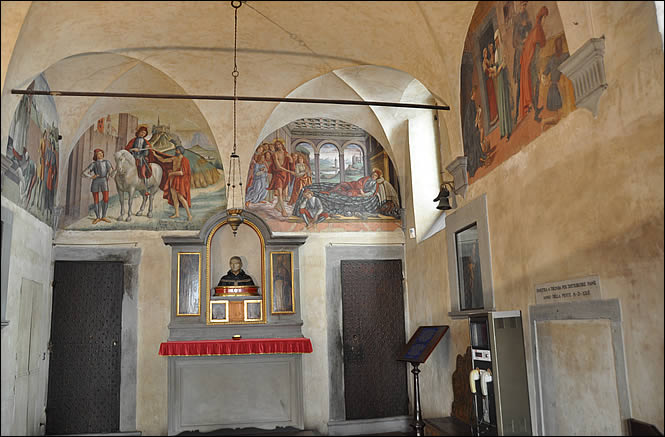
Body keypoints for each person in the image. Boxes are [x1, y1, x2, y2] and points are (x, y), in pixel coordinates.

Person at [519, 5, 549, 123]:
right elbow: (534, 53)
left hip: (532, 64)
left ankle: (537, 108)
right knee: (535, 87)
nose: (545, 20)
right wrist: (537, 69)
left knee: (536, 87)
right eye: (544, 17)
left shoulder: (537, 28)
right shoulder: (537, 30)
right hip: (531, 66)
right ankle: (536, 114)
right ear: (541, 17)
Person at [153, 145, 192, 220]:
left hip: (180, 180)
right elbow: (163, 160)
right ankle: (177, 213)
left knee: (181, 197)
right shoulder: (174, 158)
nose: (175, 151)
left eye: (177, 150)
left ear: (180, 151)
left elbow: (182, 173)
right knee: (174, 198)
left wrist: (171, 173)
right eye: (176, 150)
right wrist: (155, 155)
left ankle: (189, 215)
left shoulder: (185, 160)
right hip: (172, 179)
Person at [491, 29, 514, 139]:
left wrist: (499, 70)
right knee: (500, 103)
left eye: (496, 40)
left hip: (503, 76)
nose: (496, 42)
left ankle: (508, 129)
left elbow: (504, 62)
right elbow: (496, 65)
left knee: (505, 101)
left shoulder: (503, 49)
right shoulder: (496, 52)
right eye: (495, 40)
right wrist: (494, 72)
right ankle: (503, 130)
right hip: (499, 78)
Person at [512, 1, 532, 124]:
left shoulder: (527, 16)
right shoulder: (517, 20)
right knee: (520, 82)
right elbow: (514, 41)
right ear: (519, 6)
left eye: (525, 5)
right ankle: (518, 114)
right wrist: (522, 42)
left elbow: (530, 29)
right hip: (520, 52)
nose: (524, 7)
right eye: (522, 5)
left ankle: (530, 102)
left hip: (528, 48)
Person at [82, 148, 114, 224]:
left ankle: (103, 216)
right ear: (95, 155)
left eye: (101, 153)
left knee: (106, 199)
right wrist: (91, 177)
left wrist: (111, 174)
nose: (100, 155)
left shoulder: (107, 162)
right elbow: (84, 173)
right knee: (96, 199)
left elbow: (111, 172)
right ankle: (97, 217)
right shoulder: (93, 164)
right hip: (96, 181)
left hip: (104, 181)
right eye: (98, 154)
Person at [124, 126, 154, 195]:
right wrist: (133, 149)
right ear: (138, 132)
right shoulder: (133, 140)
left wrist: (146, 149)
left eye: (144, 133)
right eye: (142, 132)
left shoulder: (146, 142)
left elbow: (147, 152)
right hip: (132, 158)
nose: (142, 134)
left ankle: (145, 188)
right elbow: (127, 149)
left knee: (143, 172)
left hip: (141, 159)